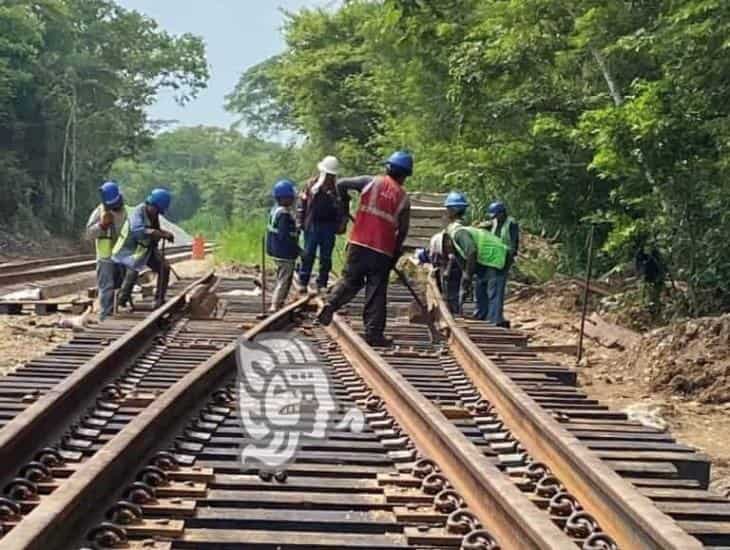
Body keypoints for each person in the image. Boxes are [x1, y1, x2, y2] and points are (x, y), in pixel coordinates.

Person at [316, 151, 413, 347]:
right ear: (405, 176)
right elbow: (403, 230)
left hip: (359, 244)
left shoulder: (371, 181)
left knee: (350, 280)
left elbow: (341, 184)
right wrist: (396, 251)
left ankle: (331, 304)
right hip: (383, 251)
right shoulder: (404, 199)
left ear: (388, 168)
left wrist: (344, 205)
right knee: (376, 291)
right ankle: (373, 334)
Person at [444, 193, 509, 322]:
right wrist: (466, 278)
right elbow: (464, 258)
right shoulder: (458, 232)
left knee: (493, 293)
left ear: (452, 210)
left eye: (447, 210)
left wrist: (467, 275)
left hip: (495, 258)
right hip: (486, 260)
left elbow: (472, 251)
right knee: (481, 289)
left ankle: (494, 323)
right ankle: (482, 316)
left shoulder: (458, 233)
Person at [112, 188, 175, 311]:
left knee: (164, 267)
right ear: (151, 205)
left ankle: (159, 299)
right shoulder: (138, 212)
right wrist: (159, 233)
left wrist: (164, 234)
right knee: (132, 273)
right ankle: (121, 301)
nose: (157, 214)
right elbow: (138, 231)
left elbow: (154, 233)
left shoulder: (154, 215)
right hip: (128, 251)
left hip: (144, 250)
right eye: (156, 210)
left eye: (158, 212)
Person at [297, 156, 345, 293]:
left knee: (326, 257)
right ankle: (303, 282)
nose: (330, 177)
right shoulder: (311, 185)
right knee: (308, 254)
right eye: (328, 174)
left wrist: (341, 223)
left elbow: (342, 208)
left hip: (328, 226)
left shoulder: (337, 190)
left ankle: (322, 283)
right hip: (312, 225)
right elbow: (302, 204)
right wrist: (300, 221)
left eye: (332, 175)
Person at [85, 181, 128, 320]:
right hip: (105, 257)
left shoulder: (126, 212)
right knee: (106, 288)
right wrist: (102, 225)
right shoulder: (100, 211)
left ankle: (117, 309)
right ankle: (105, 316)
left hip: (122, 256)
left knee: (121, 285)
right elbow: (89, 234)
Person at [266, 179, 300, 312]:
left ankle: (278, 302)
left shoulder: (275, 210)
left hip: (275, 251)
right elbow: (285, 236)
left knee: (281, 277)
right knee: (284, 279)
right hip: (284, 253)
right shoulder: (284, 215)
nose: (293, 200)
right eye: (291, 197)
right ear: (284, 198)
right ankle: (276, 305)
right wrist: (298, 250)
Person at [487, 201, 520, 327]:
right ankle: (492, 316)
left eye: (496, 215)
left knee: (498, 288)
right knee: (492, 288)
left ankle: (496, 318)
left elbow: (514, 242)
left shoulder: (511, 223)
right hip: (493, 258)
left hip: (504, 258)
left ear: (502, 213)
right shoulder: (495, 222)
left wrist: (509, 258)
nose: (495, 218)